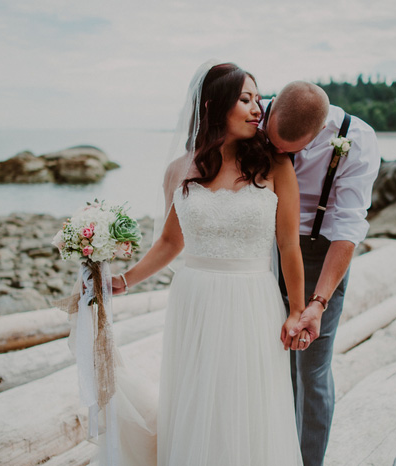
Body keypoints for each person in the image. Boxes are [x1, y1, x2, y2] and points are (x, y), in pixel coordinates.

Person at [108, 62, 308, 465]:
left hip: (253, 298)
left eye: (258, 99)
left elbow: (288, 244)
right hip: (194, 299)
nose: (258, 109)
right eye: (245, 99)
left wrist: (298, 311)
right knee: (199, 396)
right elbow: (169, 242)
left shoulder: (275, 166)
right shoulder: (178, 171)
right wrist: (124, 281)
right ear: (215, 107)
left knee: (247, 399)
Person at [260, 82, 381, 466]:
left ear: (314, 137)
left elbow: (347, 228)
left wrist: (318, 302)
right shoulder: (254, 111)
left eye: (286, 150)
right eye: (272, 142)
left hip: (318, 257)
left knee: (311, 371)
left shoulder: (356, 140)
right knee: (265, 360)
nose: (276, 153)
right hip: (259, 253)